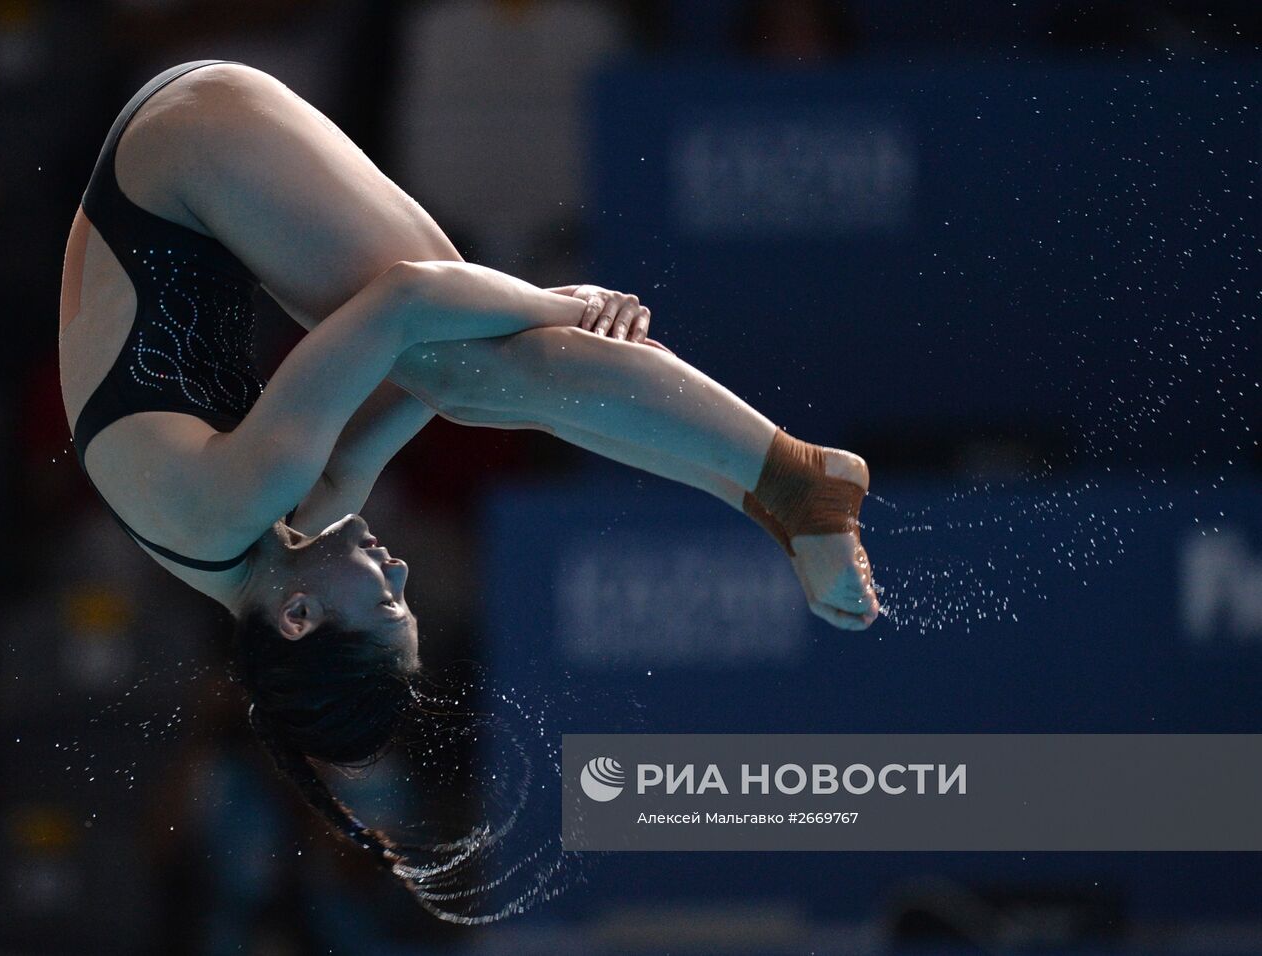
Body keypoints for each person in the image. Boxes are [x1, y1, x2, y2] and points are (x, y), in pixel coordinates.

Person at [57, 60, 879, 884]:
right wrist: (523, 328)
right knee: (471, 386)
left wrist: (556, 304)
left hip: (188, 145)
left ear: (299, 616)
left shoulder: (240, 500)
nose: (401, 569)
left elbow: (407, 301)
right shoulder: (276, 533)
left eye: (385, 601)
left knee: (475, 368)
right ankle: (757, 495)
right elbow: (414, 376)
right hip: (181, 178)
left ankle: (800, 482)